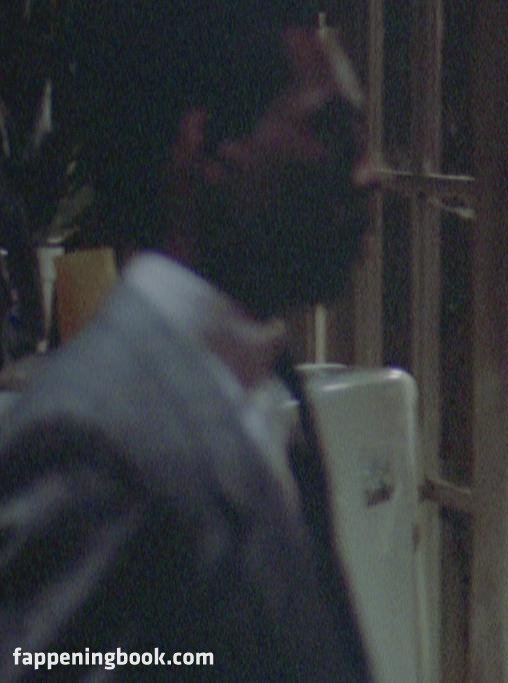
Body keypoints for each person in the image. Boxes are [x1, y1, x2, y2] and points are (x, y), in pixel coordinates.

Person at [0, 1, 380, 679]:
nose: (370, 172)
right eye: (331, 131)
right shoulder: (87, 435)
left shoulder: (268, 382)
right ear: (206, 145)